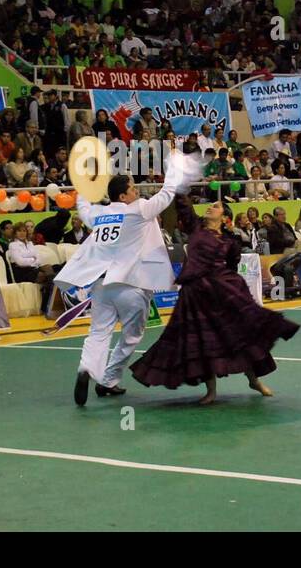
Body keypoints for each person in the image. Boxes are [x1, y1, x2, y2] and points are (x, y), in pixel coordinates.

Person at [57, 149, 202, 405]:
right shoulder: (137, 209)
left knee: (98, 333)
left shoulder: (100, 215)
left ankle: (86, 369)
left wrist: (83, 185)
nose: (137, 191)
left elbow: (83, 207)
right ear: (123, 196)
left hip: (101, 285)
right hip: (132, 285)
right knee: (131, 336)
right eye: (133, 188)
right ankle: (109, 379)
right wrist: (175, 168)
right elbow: (167, 194)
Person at [130, 196, 297, 403]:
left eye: (216, 206)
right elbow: (184, 206)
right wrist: (179, 182)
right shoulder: (196, 228)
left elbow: (231, 266)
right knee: (203, 342)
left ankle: (253, 379)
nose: (210, 207)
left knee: (239, 337)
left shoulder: (230, 242)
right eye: (211, 205)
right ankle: (211, 391)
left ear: (225, 217)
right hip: (194, 296)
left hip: (221, 294)